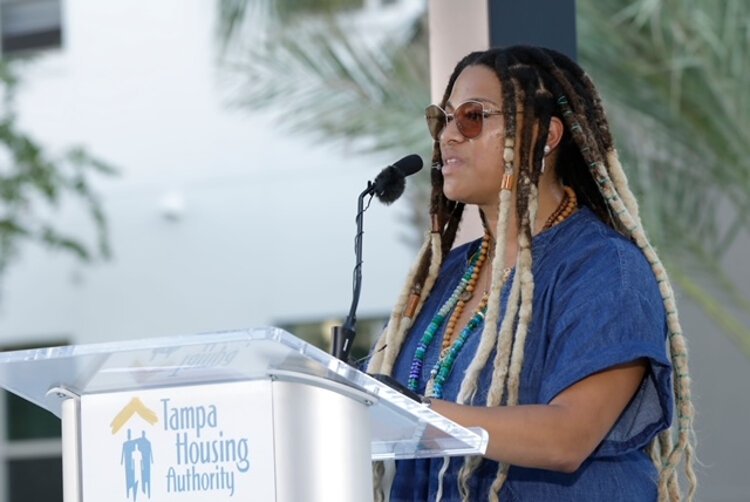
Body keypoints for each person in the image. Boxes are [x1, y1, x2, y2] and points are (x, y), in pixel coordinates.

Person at [366, 46, 696, 502]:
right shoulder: (448, 278)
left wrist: (420, 415)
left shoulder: (604, 266)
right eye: (442, 119)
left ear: (543, 136)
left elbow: (567, 437)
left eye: (472, 117)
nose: (447, 136)